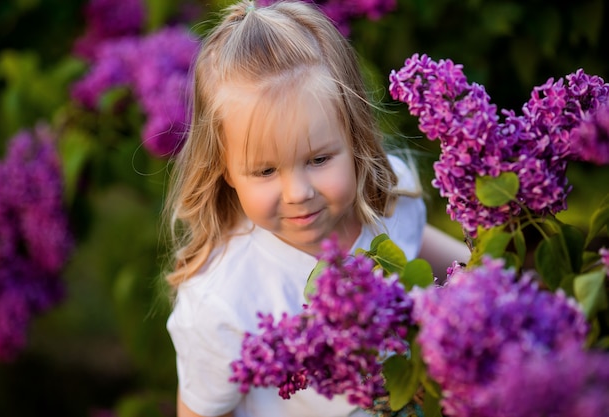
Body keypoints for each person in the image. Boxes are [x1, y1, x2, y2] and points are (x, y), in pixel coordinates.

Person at [163, 1, 469, 416]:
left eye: (319, 160)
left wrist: (481, 277)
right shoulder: (221, 300)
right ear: (225, 170)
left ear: (354, 137)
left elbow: (423, 248)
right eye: (266, 170)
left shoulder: (387, 199)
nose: (297, 192)